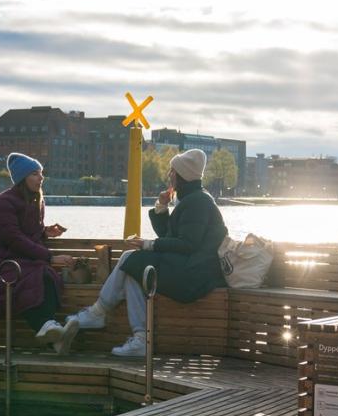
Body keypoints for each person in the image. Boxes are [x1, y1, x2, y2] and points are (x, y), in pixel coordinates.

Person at [69, 148, 228, 356]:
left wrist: (148, 245)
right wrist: (162, 207)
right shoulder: (192, 198)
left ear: (182, 175)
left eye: (172, 171)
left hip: (195, 275)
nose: (169, 175)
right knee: (134, 271)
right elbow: (171, 238)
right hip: (188, 268)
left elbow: (188, 245)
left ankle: (99, 312)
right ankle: (140, 339)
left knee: (130, 259)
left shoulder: (197, 202)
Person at [0, 152, 79, 353]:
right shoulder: (4, 202)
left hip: (24, 259)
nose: (41, 178)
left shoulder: (36, 201)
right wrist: (51, 257)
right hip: (3, 263)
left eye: (41, 173)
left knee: (48, 275)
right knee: (38, 275)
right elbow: (14, 239)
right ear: (22, 178)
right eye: (35, 173)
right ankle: (48, 327)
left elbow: (28, 234)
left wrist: (45, 231)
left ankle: (53, 334)